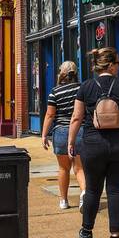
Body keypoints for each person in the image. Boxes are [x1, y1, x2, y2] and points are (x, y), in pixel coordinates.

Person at [69, 47, 119, 238]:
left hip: (93, 145)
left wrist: (71, 142)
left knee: (93, 189)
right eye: (118, 63)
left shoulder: (85, 87)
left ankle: (86, 231)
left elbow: (76, 117)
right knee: (116, 190)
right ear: (111, 65)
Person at [41, 61, 86, 209]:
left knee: (63, 168)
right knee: (79, 168)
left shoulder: (55, 92)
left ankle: (63, 201)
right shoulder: (82, 88)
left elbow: (50, 115)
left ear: (61, 73)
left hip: (60, 132)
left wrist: (44, 135)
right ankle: (84, 193)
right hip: (80, 130)